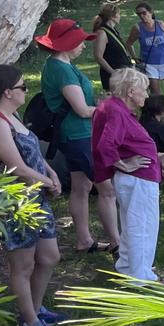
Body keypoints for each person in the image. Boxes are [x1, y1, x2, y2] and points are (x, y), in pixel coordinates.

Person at [0, 65, 66, 326]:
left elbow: (31, 153)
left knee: (50, 257)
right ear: (7, 92)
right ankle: (30, 325)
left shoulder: (10, 115)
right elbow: (19, 169)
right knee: (23, 266)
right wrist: (50, 183)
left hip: (34, 197)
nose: (26, 91)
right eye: (23, 87)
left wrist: (50, 172)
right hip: (13, 204)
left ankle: (34, 310)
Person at [36, 18, 121, 255]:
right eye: (80, 41)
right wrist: (108, 110)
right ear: (66, 43)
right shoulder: (61, 69)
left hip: (75, 135)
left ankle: (84, 240)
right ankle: (117, 244)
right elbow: (82, 110)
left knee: (81, 186)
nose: (83, 45)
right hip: (78, 136)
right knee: (107, 189)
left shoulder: (61, 65)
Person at [92, 68, 163, 282]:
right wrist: (123, 164)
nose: (147, 95)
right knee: (143, 226)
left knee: (133, 224)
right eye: (145, 90)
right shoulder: (117, 111)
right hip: (139, 180)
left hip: (139, 178)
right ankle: (142, 277)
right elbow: (105, 144)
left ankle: (127, 265)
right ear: (131, 91)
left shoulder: (115, 107)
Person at [125, 3, 164, 124]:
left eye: (144, 13)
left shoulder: (160, 24)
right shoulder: (137, 28)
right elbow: (128, 43)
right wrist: (134, 58)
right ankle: (162, 124)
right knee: (157, 96)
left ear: (150, 12)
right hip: (150, 65)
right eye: (139, 14)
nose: (142, 16)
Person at [91, 3, 134, 93]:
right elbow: (98, 56)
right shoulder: (102, 32)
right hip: (114, 75)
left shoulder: (113, 30)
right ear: (112, 16)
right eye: (118, 14)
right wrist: (113, 72)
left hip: (123, 72)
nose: (119, 16)